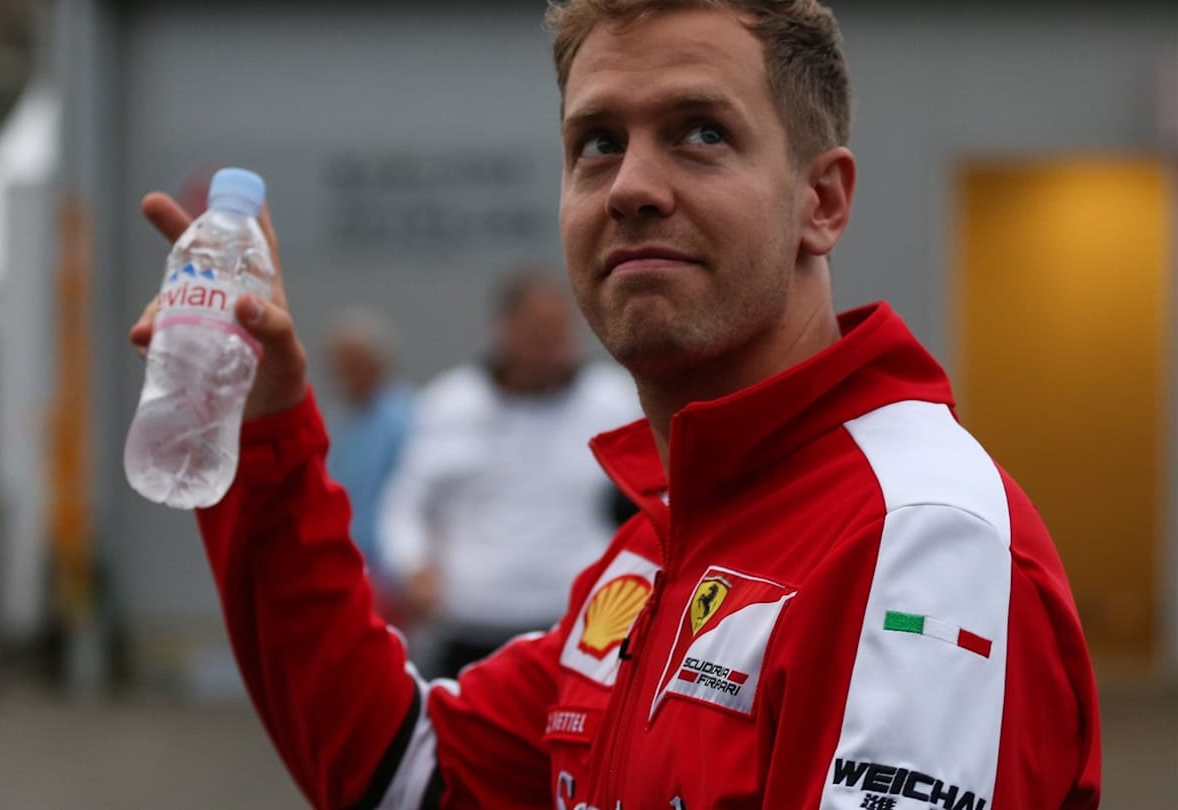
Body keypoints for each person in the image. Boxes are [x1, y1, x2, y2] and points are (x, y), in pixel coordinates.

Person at [128, 1, 1102, 807]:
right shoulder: (654, 550)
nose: (632, 185)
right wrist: (259, 435)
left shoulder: (915, 536)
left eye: (701, 134)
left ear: (823, 202)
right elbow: (403, 771)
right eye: (597, 143)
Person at [379, 271, 638, 677]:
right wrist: (413, 566)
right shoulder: (449, 404)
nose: (553, 348)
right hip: (471, 632)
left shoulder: (614, 399)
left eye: (559, 333)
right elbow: (405, 503)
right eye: (539, 333)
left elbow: (658, 497)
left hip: (585, 630)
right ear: (504, 329)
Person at [324, 307, 413, 602]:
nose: (345, 374)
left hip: (389, 572)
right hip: (352, 565)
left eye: (354, 363)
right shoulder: (345, 420)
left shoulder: (404, 418)